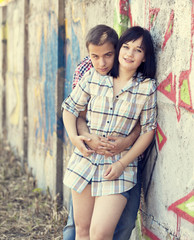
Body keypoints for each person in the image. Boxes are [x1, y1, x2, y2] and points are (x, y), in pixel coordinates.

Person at [62, 25, 157, 239]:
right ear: (119, 48)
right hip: (85, 160)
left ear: (144, 57)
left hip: (118, 167)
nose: (130, 53)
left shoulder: (146, 88)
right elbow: (70, 108)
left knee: (100, 233)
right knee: (82, 230)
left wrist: (122, 162)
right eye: (126, 47)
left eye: (138, 50)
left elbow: (148, 130)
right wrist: (76, 139)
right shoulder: (94, 76)